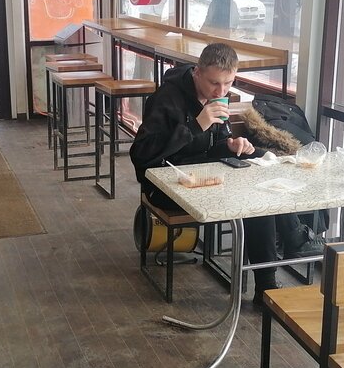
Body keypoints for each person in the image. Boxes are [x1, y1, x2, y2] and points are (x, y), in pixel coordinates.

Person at [130, 42, 322, 305]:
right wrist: (196, 125)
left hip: (207, 174)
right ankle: (290, 246)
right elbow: (141, 154)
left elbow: (214, 144)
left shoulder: (217, 96)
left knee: (259, 170)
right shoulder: (166, 99)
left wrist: (231, 144)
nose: (221, 91)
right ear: (197, 72)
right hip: (167, 182)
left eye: (228, 83)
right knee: (251, 196)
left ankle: (273, 275)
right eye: (214, 83)